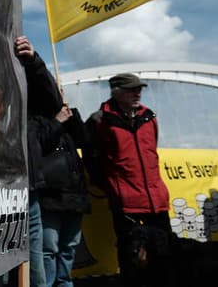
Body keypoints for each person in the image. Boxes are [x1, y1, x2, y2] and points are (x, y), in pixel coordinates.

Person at [85, 73, 172, 286]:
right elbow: (90, 156)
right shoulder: (99, 120)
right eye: (132, 89)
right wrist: (108, 184)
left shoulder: (149, 116)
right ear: (117, 92)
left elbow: (152, 153)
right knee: (129, 254)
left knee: (165, 252)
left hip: (156, 198)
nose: (138, 92)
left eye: (139, 88)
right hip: (125, 201)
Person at [35, 98, 89, 287]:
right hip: (50, 196)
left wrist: (72, 117)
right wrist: (57, 122)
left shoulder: (69, 117)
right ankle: (48, 283)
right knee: (48, 248)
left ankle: (65, 283)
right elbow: (40, 143)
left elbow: (84, 140)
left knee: (69, 247)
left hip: (74, 195)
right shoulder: (35, 120)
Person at [14, 35, 49, 287]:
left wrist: (34, 61)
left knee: (35, 263)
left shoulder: (24, 68)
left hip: (29, 187)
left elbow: (52, 102)